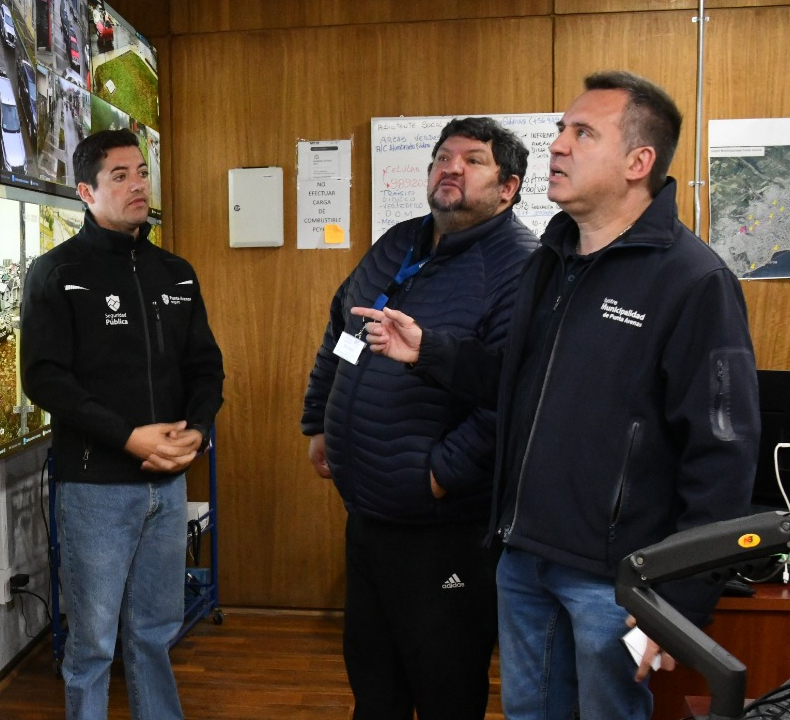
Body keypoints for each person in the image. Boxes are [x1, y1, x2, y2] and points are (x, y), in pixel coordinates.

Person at [361, 71, 761, 720]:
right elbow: (516, 381)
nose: (558, 145)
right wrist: (429, 350)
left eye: (583, 133)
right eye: (560, 130)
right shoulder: (549, 261)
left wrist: (680, 607)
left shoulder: (694, 280)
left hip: (616, 581)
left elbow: (722, 456)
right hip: (523, 559)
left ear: (638, 162)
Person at [302, 117, 537, 720]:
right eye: (443, 156)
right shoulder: (399, 242)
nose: (451, 167)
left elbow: (513, 396)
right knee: (374, 684)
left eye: (474, 160)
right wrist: (321, 420)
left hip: (443, 527)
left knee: (444, 689)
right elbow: (343, 329)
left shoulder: (519, 267)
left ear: (508, 188)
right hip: (368, 512)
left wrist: (440, 475)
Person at [21, 128, 225, 720]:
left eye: (142, 172)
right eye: (120, 176)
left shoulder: (175, 272)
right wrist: (129, 437)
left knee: (155, 632)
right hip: (96, 488)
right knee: (91, 646)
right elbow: (45, 378)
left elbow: (205, 366)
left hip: (168, 482)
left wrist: (197, 430)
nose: (138, 185)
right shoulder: (56, 272)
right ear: (86, 192)